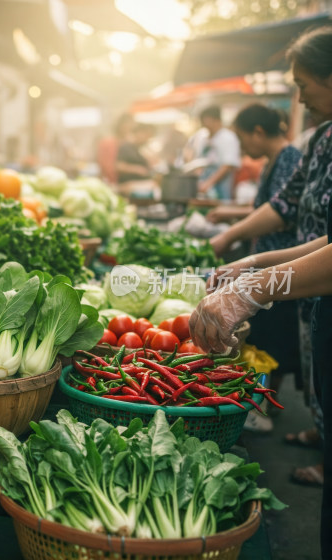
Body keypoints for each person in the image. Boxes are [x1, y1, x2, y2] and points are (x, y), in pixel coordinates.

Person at [188, 25, 332, 558]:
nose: (297, 98)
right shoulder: (322, 138)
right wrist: (253, 259)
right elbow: (306, 223)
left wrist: (256, 283)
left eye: (304, 84)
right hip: (315, 299)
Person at [207, 104, 303, 433]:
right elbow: (262, 208)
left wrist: (230, 234)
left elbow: (279, 211)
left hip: (281, 264)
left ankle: (263, 402)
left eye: (242, 137)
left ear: (258, 132)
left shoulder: (289, 158)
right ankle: (262, 402)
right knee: (267, 335)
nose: (243, 147)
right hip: (270, 262)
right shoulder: (275, 161)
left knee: (272, 338)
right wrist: (229, 215)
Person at [197, 105, 241, 200]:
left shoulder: (228, 137)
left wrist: (208, 183)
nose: (204, 124)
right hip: (205, 189)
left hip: (222, 189)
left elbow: (228, 165)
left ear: (215, 120)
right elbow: (199, 163)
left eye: (205, 121)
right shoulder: (204, 138)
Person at [96, 112, 134, 184]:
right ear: (119, 125)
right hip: (114, 182)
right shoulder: (107, 143)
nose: (128, 127)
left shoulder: (131, 143)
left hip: (129, 183)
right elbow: (106, 166)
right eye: (126, 124)